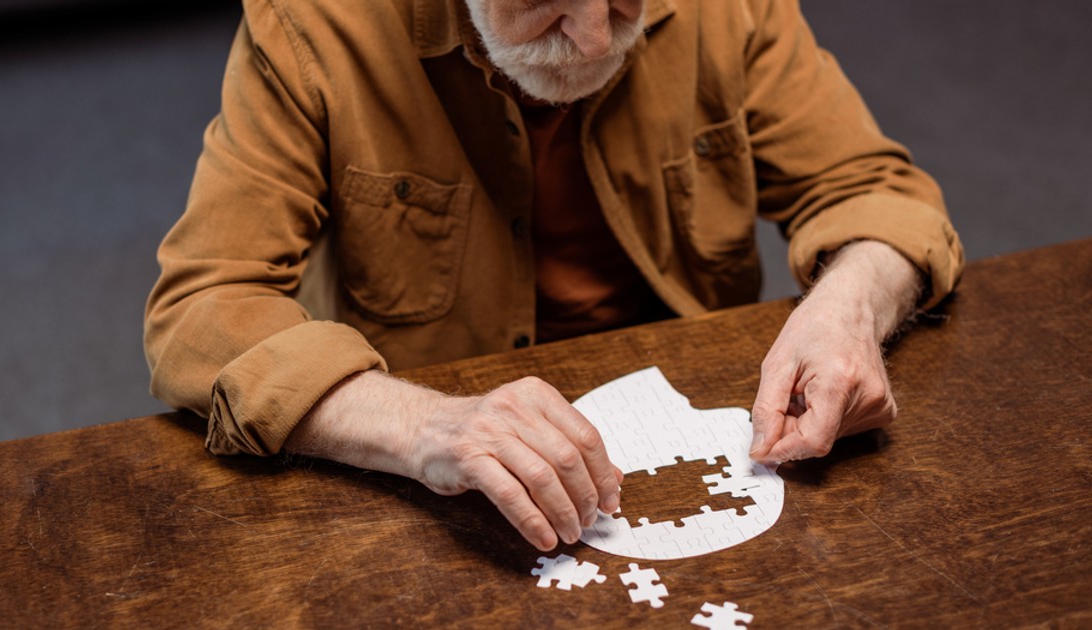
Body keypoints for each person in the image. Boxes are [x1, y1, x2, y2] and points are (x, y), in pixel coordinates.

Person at [144, 0, 964, 552]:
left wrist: (850, 305)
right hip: (437, 479)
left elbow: (874, 194)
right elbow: (203, 309)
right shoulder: (312, 23)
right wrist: (422, 426)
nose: (598, 39)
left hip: (703, 423)